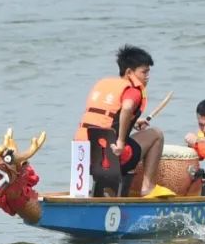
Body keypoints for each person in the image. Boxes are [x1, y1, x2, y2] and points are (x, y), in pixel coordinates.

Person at [74, 45, 172, 198]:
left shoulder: (103, 85)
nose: (147, 77)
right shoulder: (133, 91)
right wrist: (120, 142)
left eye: (148, 72)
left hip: (83, 156)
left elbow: (106, 119)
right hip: (111, 158)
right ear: (129, 72)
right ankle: (149, 188)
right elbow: (127, 107)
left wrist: (134, 121)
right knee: (156, 134)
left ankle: (102, 191)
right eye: (144, 72)